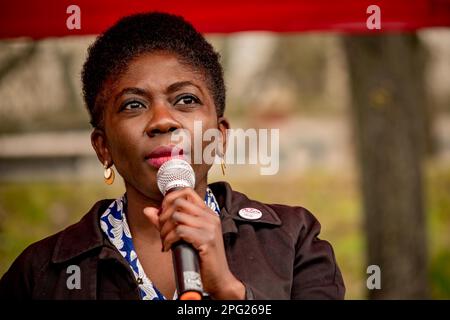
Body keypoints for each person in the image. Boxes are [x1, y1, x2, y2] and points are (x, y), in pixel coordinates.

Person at [0, 12, 345, 300]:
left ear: (219, 136)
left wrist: (231, 292)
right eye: (133, 105)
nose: (163, 120)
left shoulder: (293, 240)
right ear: (103, 147)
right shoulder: (42, 273)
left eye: (186, 100)